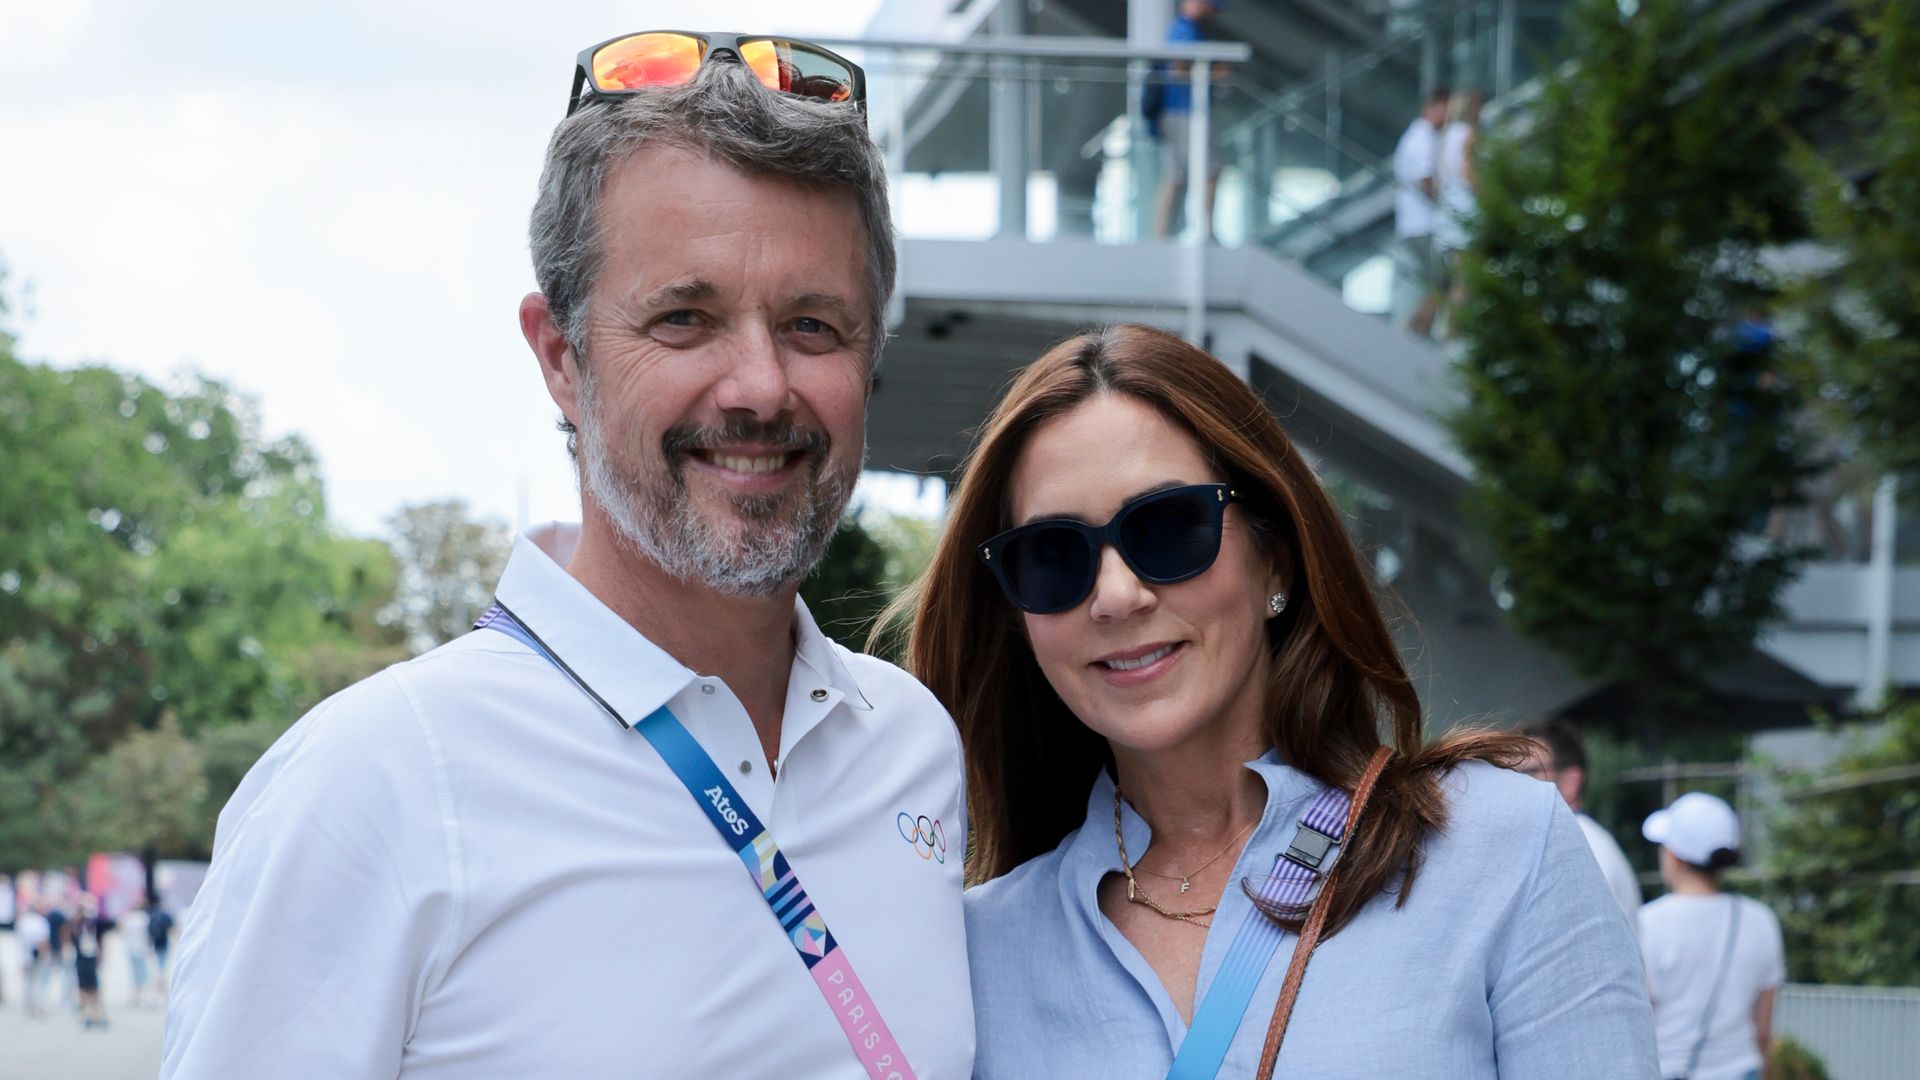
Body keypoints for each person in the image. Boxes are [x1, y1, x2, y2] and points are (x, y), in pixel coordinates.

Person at [163, 31, 971, 1079]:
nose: (761, 387)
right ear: (560, 356)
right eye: (686, 319)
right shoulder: (379, 782)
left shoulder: (911, 749)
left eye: (813, 325)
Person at [898, 323, 1656, 1076]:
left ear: (1277, 562)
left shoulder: (1500, 848)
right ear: (1017, 615)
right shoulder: (972, 956)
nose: (1117, 595)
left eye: (1168, 528)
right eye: (1052, 555)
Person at [1640, 792, 1785, 1080]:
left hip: (1666, 1070)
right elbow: (1763, 1029)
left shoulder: (1647, 922)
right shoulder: (1761, 920)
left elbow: (1639, 1019)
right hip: (1741, 1070)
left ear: (1674, 856)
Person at [1519, 720, 1644, 924]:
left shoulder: (1580, 848)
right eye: (1508, 772)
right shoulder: (1577, 840)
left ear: (1571, 781)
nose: (1515, 783)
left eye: (1529, 772)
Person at [1152, 0, 1228, 239]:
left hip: (1177, 113)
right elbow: (1178, 70)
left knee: (1176, 178)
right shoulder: (1185, 30)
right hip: (1185, 112)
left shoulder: (1186, 29)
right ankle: (1206, 232)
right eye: (1209, 7)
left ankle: (1163, 236)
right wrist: (1215, 73)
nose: (1212, 14)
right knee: (1209, 172)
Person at [1392, 88, 1449, 337]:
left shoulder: (1419, 137)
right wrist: (1450, 199)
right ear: (1435, 106)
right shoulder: (1421, 138)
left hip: (1417, 223)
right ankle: (1417, 326)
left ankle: (1420, 325)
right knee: (1444, 280)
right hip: (1421, 224)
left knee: (1441, 281)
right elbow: (1424, 180)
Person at [1432, 89, 1483, 331]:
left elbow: (1438, 181)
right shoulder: (1468, 135)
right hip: (1466, 213)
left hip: (1448, 214)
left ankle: (1448, 330)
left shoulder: (1445, 136)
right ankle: (1452, 333)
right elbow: (1468, 173)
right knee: (1465, 282)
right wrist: (1488, 193)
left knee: (1455, 279)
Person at [72, 893, 107, 1029]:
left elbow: (100, 939)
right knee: (83, 988)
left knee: (94, 988)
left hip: (91, 959)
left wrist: (102, 955)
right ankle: (85, 1014)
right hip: (81, 959)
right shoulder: (77, 923)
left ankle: (96, 1014)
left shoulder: (94, 923)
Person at [119, 901, 156, 1009]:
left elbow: (122, 933)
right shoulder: (143, 918)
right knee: (143, 972)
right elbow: (148, 934)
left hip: (131, 949)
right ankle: (143, 995)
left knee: (135, 973)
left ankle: (138, 995)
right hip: (141, 948)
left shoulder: (128, 918)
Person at [17, 902, 50, 1019]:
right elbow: (42, 940)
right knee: (39, 981)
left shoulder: (23, 921)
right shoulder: (41, 922)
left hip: (26, 956)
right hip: (38, 955)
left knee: (29, 982)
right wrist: (46, 955)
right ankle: (37, 1005)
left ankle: (28, 1006)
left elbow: (21, 941)